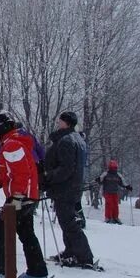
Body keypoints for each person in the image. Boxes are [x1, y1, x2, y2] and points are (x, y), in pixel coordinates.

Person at [0, 110, 49, 278]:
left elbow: (21, 174)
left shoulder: (12, 145)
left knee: (1, 230)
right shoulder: (11, 143)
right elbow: (6, 175)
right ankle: (37, 273)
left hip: (20, 197)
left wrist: (17, 199)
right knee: (26, 232)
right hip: (26, 195)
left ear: (0, 127)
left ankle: (4, 273)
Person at [44, 111, 95, 267]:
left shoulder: (67, 140)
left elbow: (66, 168)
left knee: (68, 222)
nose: (58, 124)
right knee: (66, 220)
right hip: (74, 186)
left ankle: (83, 256)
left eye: (60, 121)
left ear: (66, 123)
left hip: (65, 187)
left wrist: (49, 176)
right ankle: (71, 251)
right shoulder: (78, 139)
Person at [96, 160, 132, 224]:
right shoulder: (106, 174)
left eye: (115, 168)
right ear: (110, 167)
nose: (114, 169)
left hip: (115, 192)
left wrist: (127, 186)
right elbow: (101, 179)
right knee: (109, 204)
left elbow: (122, 182)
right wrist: (98, 180)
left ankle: (115, 217)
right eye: (113, 168)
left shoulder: (118, 175)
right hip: (107, 192)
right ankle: (108, 218)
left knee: (115, 205)